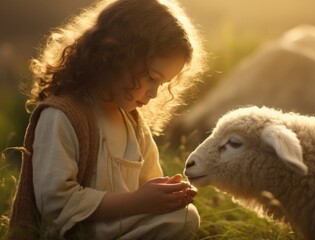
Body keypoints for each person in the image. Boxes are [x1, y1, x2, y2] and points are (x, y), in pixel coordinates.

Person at [8, 0, 206, 239]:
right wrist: (136, 201)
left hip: (118, 228)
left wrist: (167, 195)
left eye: (162, 84)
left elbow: (150, 184)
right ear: (117, 56)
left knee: (185, 215)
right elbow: (54, 203)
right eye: (152, 78)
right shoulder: (62, 115)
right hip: (78, 232)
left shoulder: (133, 124)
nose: (154, 93)